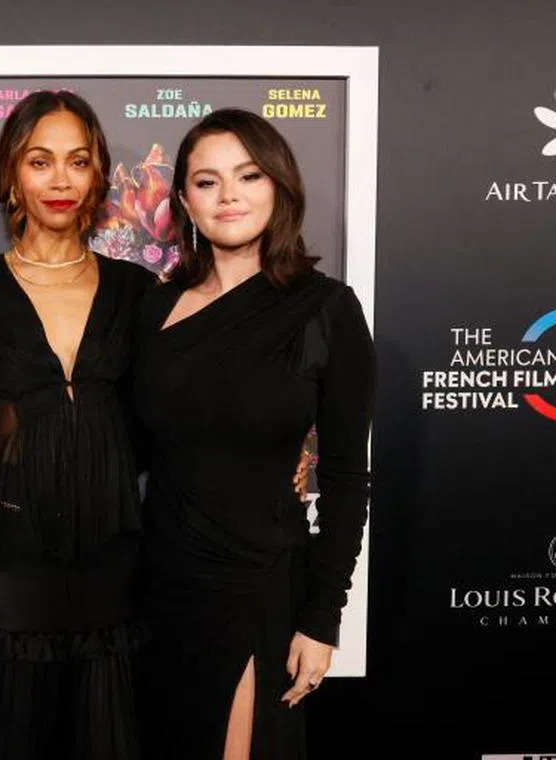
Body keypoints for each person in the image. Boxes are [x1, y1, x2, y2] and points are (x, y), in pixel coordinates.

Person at [132, 108, 375, 760]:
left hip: (256, 581)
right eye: (207, 181)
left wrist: (322, 619)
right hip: (158, 583)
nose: (229, 196)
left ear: (279, 185)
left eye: (248, 175)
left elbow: (346, 480)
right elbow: (122, 435)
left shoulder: (326, 310)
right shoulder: (153, 307)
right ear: (184, 200)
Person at [0, 89, 152, 760]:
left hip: (109, 555)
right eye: (40, 161)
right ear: (13, 174)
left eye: (77, 161)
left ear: (97, 175)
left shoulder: (138, 292)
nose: (60, 179)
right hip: (7, 554)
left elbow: (176, 410)